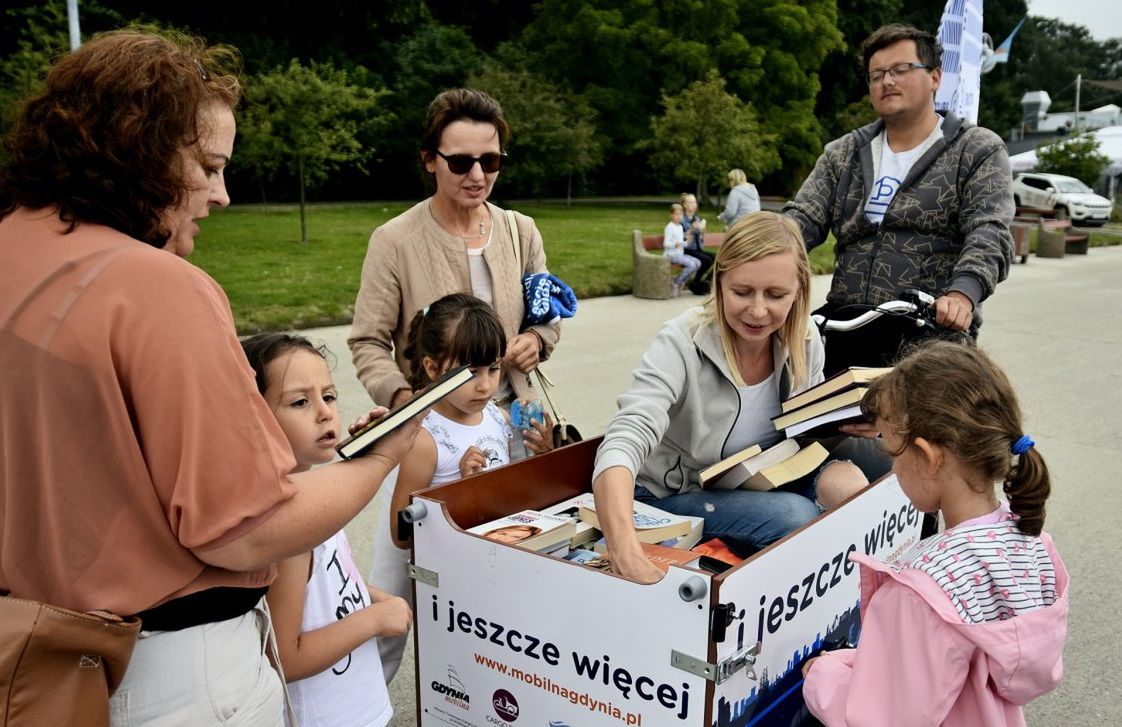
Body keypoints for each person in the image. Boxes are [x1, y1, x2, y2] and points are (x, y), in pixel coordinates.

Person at [0, 31, 420, 724]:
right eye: (210, 165)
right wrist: (379, 460)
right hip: (172, 677)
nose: (222, 195)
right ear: (142, 148)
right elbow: (245, 530)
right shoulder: (160, 287)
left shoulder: (14, 247)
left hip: (38, 659)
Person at [591, 212, 868, 584]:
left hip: (758, 479)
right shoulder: (681, 340)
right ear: (719, 282)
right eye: (742, 292)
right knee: (794, 517)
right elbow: (626, 436)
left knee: (851, 484)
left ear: (799, 290)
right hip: (674, 493)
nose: (757, 311)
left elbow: (806, 432)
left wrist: (843, 420)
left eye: (775, 295)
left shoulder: (803, 339)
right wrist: (624, 548)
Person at [801, 341, 1068, 726]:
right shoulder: (1033, 542)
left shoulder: (919, 592)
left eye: (893, 452)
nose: (893, 470)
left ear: (928, 457)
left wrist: (823, 676)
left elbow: (880, 716)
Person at [782, 23, 1014, 376]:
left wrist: (962, 294)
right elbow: (803, 217)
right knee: (811, 416)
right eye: (876, 75)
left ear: (935, 77)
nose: (887, 81)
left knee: (921, 428)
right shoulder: (844, 152)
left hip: (929, 332)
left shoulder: (977, 149)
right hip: (848, 322)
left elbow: (989, 231)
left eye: (901, 70)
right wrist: (764, 250)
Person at [373, 293, 554, 679]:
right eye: (471, 372)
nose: (486, 385)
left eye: (494, 368)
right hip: (446, 580)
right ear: (433, 368)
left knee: (485, 664)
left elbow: (513, 492)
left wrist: (542, 452)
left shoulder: (498, 417)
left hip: (486, 567)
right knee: (439, 662)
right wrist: (462, 490)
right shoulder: (424, 439)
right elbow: (402, 535)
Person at [348, 87, 560, 411]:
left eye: (490, 161)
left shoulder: (522, 230)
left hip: (517, 420)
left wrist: (536, 338)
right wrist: (403, 400)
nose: (477, 176)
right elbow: (368, 342)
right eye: (461, 163)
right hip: (436, 431)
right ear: (430, 159)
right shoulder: (393, 241)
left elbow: (547, 312)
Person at [242, 333, 411, 727]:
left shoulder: (318, 497)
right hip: (325, 714)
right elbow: (285, 654)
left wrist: (368, 596)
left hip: (355, 703)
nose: (324, 413)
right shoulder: (289, 527)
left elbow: (321, 584)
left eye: (329, 397)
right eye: (300, 402)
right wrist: (374, 620)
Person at [664, 202, 702, 297]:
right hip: (671, 254)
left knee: (698, 263)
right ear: (671, 215)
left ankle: (682, 282)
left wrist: (687, 242)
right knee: (691, 264)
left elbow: (681, 244)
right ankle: (676, 283)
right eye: (676, 214)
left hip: (679, 254)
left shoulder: (680, 227)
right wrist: (675, 244)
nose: (678, 216)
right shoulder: (669, 227)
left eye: (680, 214)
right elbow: (666, 244)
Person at [680, 193, 714, 294]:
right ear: (684, 205)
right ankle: (696, 282)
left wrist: (703, 231)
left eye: (695, 202)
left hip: (697, 249)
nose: (694, 205)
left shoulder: (697, 219)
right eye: (691, 202)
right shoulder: (681, 220)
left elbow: (701, 238)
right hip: (686, 249)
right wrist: (691, 229)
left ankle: (705, 280)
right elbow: (680, 238)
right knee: (707, 260)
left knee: (717, 258)